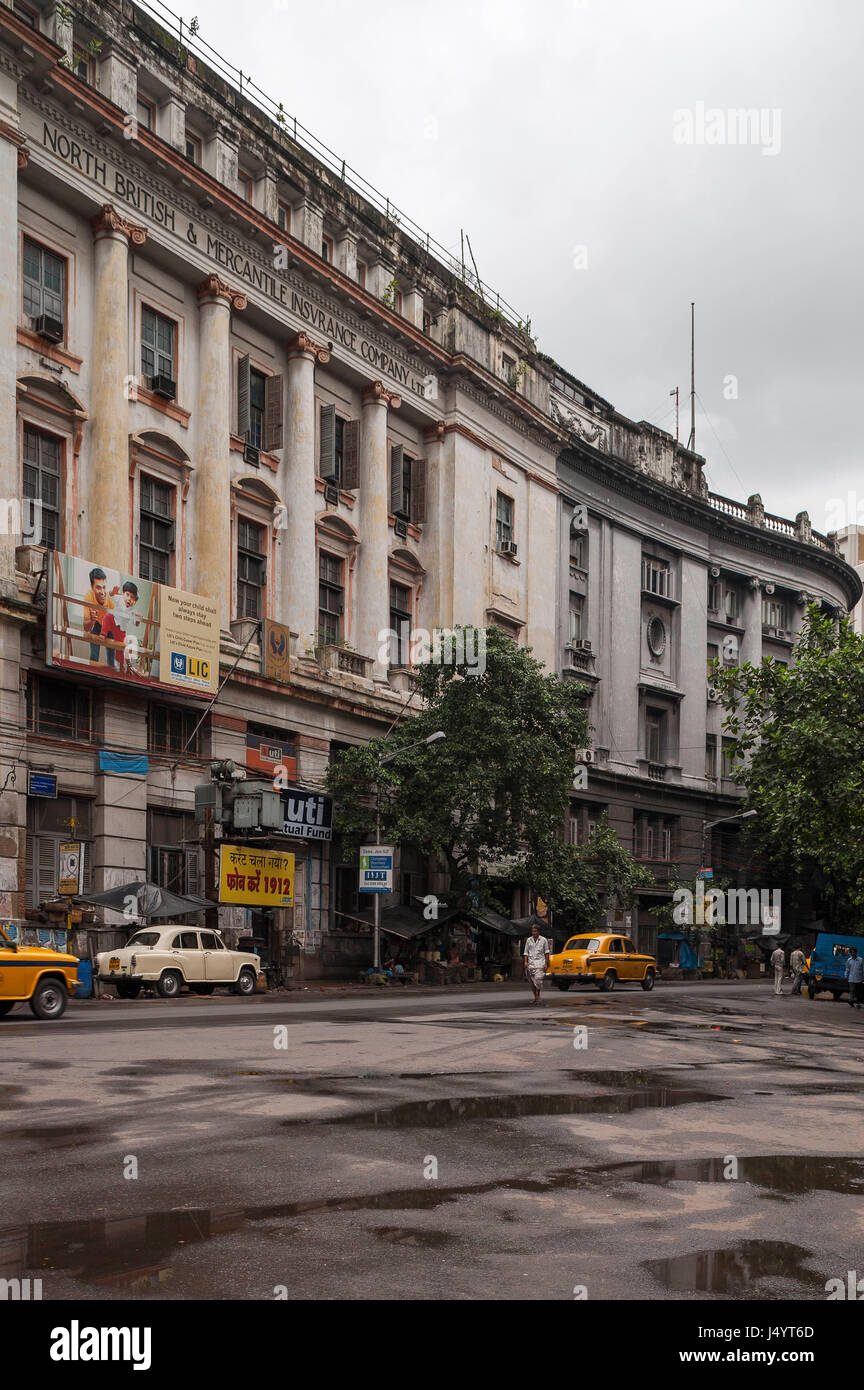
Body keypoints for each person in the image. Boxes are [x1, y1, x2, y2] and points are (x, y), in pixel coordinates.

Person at [82, 566, 115, 666]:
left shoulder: (111, 599)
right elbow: (86, 628)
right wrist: (92, 620)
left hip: (110, 627)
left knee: (112, 660)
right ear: (92, 587)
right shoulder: (88, 597)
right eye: (98, 587)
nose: (102, 592)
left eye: (104, 587)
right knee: (93, 657)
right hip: (97, 624)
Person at [523, 922, 550, 1005]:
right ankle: (536, 997)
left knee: (538, 980)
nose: (534, 933)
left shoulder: (544, 940)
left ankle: (538, 995)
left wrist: (546, 963)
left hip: (540, 963)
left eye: (535, 931)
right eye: (532, 931)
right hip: (531, 964)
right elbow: (526, 952)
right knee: (532, 981)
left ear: (538, 932)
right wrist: (525, 961)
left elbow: (546, 953)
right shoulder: (528, 940)